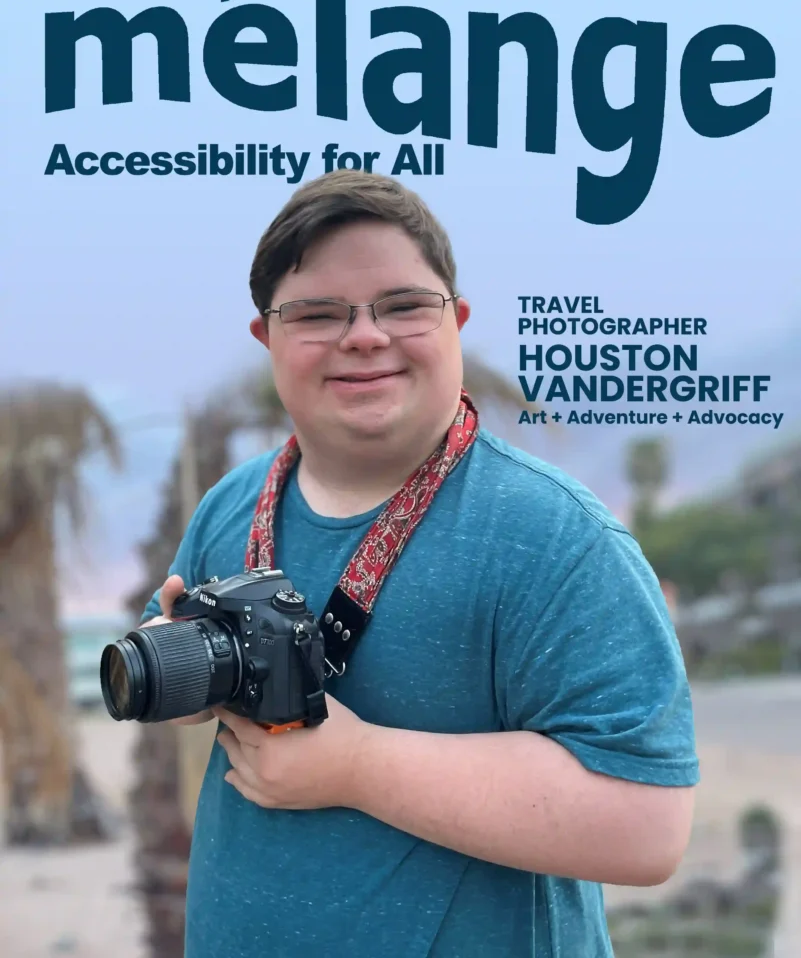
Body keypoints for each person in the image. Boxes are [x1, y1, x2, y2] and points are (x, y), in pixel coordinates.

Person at [140, 169, 699, 957]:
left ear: (456, 322)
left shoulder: (556, 539)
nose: (364, 335)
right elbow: (179, 654)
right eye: (317, 314)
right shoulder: (232, 503)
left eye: (403, 306)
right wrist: (186, 672)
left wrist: (357, 767)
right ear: (268, 337)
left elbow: (648, 827)